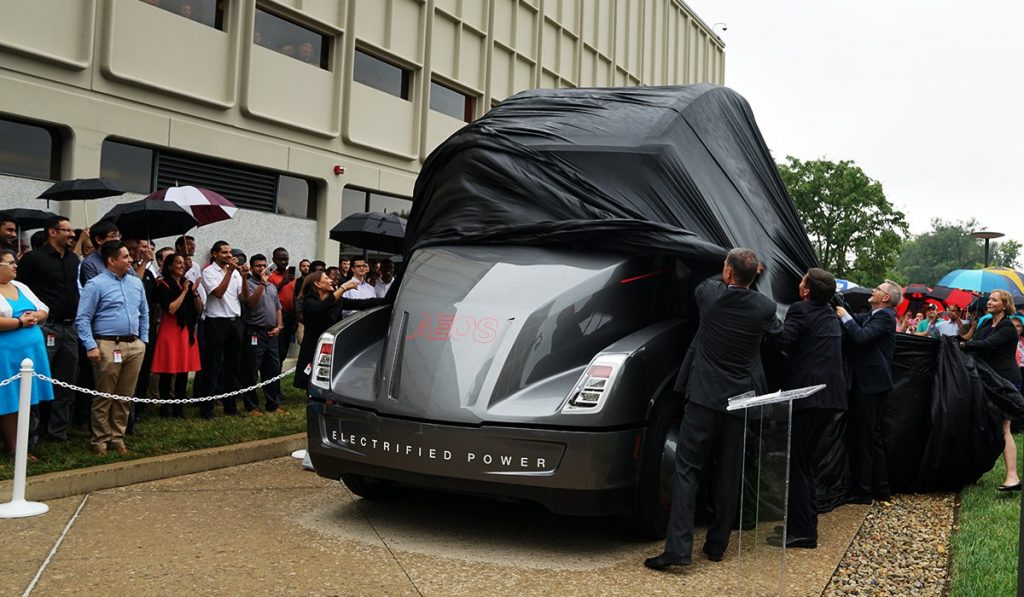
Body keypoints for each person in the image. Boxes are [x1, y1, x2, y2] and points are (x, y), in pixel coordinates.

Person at [645, 248, 781, 570]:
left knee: (688, 470)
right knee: (729, 473)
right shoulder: (765, 306)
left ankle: (679, 549)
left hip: (704, 398)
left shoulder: (711, 296)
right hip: (739, 403)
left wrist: (735, 268)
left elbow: (706, 282)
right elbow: (775, 332)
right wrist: (752, 276)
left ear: (729, 273)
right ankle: (717, 547)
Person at [767, 268, 846, 550]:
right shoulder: (828, 313)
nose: (798, 284)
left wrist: (768, 318)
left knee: (798, 464)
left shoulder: (800, 310)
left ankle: (802, 532)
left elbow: (784, 342)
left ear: (807, 291)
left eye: (802, 281)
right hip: (829, 397)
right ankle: (802, 524)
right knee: (805, 464)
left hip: (807, 396)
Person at [76, 241, 149, 456]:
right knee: (104, 394)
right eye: (126, 257)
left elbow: (144, 313)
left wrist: (142, 340)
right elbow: (83, 318)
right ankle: (100, 440)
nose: (130, 260)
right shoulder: (96, 284)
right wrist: (91, 345)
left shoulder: (136, 283)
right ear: (112, 260)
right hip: (107, 344)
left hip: (133, 345)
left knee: (125, 395)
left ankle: (118, 437)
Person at [15, 216, 80, 444]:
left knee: (66, 383)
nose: (72, 234)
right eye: (67, 230)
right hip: (45, 328)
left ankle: (58, 432)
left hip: (69, 328)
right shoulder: (34, 259)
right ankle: (31, 436)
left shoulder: (73, 259)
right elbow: (19, 291)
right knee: (35, 383)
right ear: (52, 232)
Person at [836, 279, 901, 504]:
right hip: (872, 384)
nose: (873, 290)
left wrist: (844, 315)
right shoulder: (876, 315)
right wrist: (840, 305)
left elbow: (861, 337)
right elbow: (858, 320)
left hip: (871, 385)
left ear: (885, 298)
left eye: (878, 289)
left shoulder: (885, 316)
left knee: (866, 438)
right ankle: (880, 488)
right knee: (871, 438)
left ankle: (863, 491)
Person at [962, 289, 1022, 491]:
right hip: (987, 378)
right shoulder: (986, 323)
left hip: (1005, 382)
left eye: (994, 300)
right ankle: (974, 472)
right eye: (989, 299)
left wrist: (965, 344)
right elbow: (976, 340)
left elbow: (986, 345)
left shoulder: (1007, 327)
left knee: (1003, 428)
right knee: (981, 424)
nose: (989, 302)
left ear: (1005, 305)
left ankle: (1012, 477)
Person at [0, 249, 53, 461]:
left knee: (27, 399)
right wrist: (20, 322)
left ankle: (26, 442)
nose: (15, 266)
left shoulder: (21, 286)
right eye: (10, 263)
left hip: (31, 352)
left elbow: (43, 309)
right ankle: (14, 448)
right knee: (10, 400)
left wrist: (35, 316)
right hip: (6, 354)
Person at [293, 272, 380, 391]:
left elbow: (362, 303)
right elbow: (320, 307)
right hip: (312, 345)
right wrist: (343, 288)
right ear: (317, 284)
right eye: (326, 278)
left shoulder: (337, 301)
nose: (331, 280)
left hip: (331, 345)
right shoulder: (309, 301)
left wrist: (388, 300)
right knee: (311, 377)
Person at [198, 241, 249, 418]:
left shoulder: (235, 273)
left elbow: (243, 297)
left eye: (229, 252)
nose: (229, 255)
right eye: (224, 252)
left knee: (232, 367)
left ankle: (231, 406)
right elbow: (218, 293)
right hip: (216, 322)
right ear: (214, 254)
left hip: (235, 322)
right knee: (212, 367)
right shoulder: (208, 272)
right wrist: (229, 272)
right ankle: (207, 409)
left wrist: (242, 277)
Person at [151, 254, 202, 418]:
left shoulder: (186, 283)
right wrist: (184, 292)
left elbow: (199, 309)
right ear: (169, 266)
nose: (182, 266)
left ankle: (179, 407)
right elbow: (171, 309)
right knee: (168, 370)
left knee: (183, 370)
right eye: (178, 263)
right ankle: (165, 407)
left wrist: (193, 292)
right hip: (170, 329)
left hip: (185, 329)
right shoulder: (163, 285)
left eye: (183, 263)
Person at [241, 254, 284, 415]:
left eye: (264, 265)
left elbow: (278, 308)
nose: (262, 268)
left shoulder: (272, 286)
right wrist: (262, 283)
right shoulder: (249, 284)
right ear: (252, 268)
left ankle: (273, 404)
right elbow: (250, 304)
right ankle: (251, 406)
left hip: (272, 333)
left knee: (272, 370)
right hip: (255, 332)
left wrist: (279, 326)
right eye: (258, 266)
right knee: (251, 370)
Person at [268, 248, 296, 361]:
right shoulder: (270, 276)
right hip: (278, 316)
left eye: (286, 259)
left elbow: (294, 296)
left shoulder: (292, 277)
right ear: (274, 260)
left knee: (284, 351)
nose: (284, 262)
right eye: (280, 259)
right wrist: (283, 282)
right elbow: (269, 294)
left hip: (290, 317)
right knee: (278, 351)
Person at [78, 220, 121, 286]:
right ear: (99, 240)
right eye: (113, 236)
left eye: (119, 235)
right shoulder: (89, 264)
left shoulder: (122, 258)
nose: (117, 239)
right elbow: (95, 290)